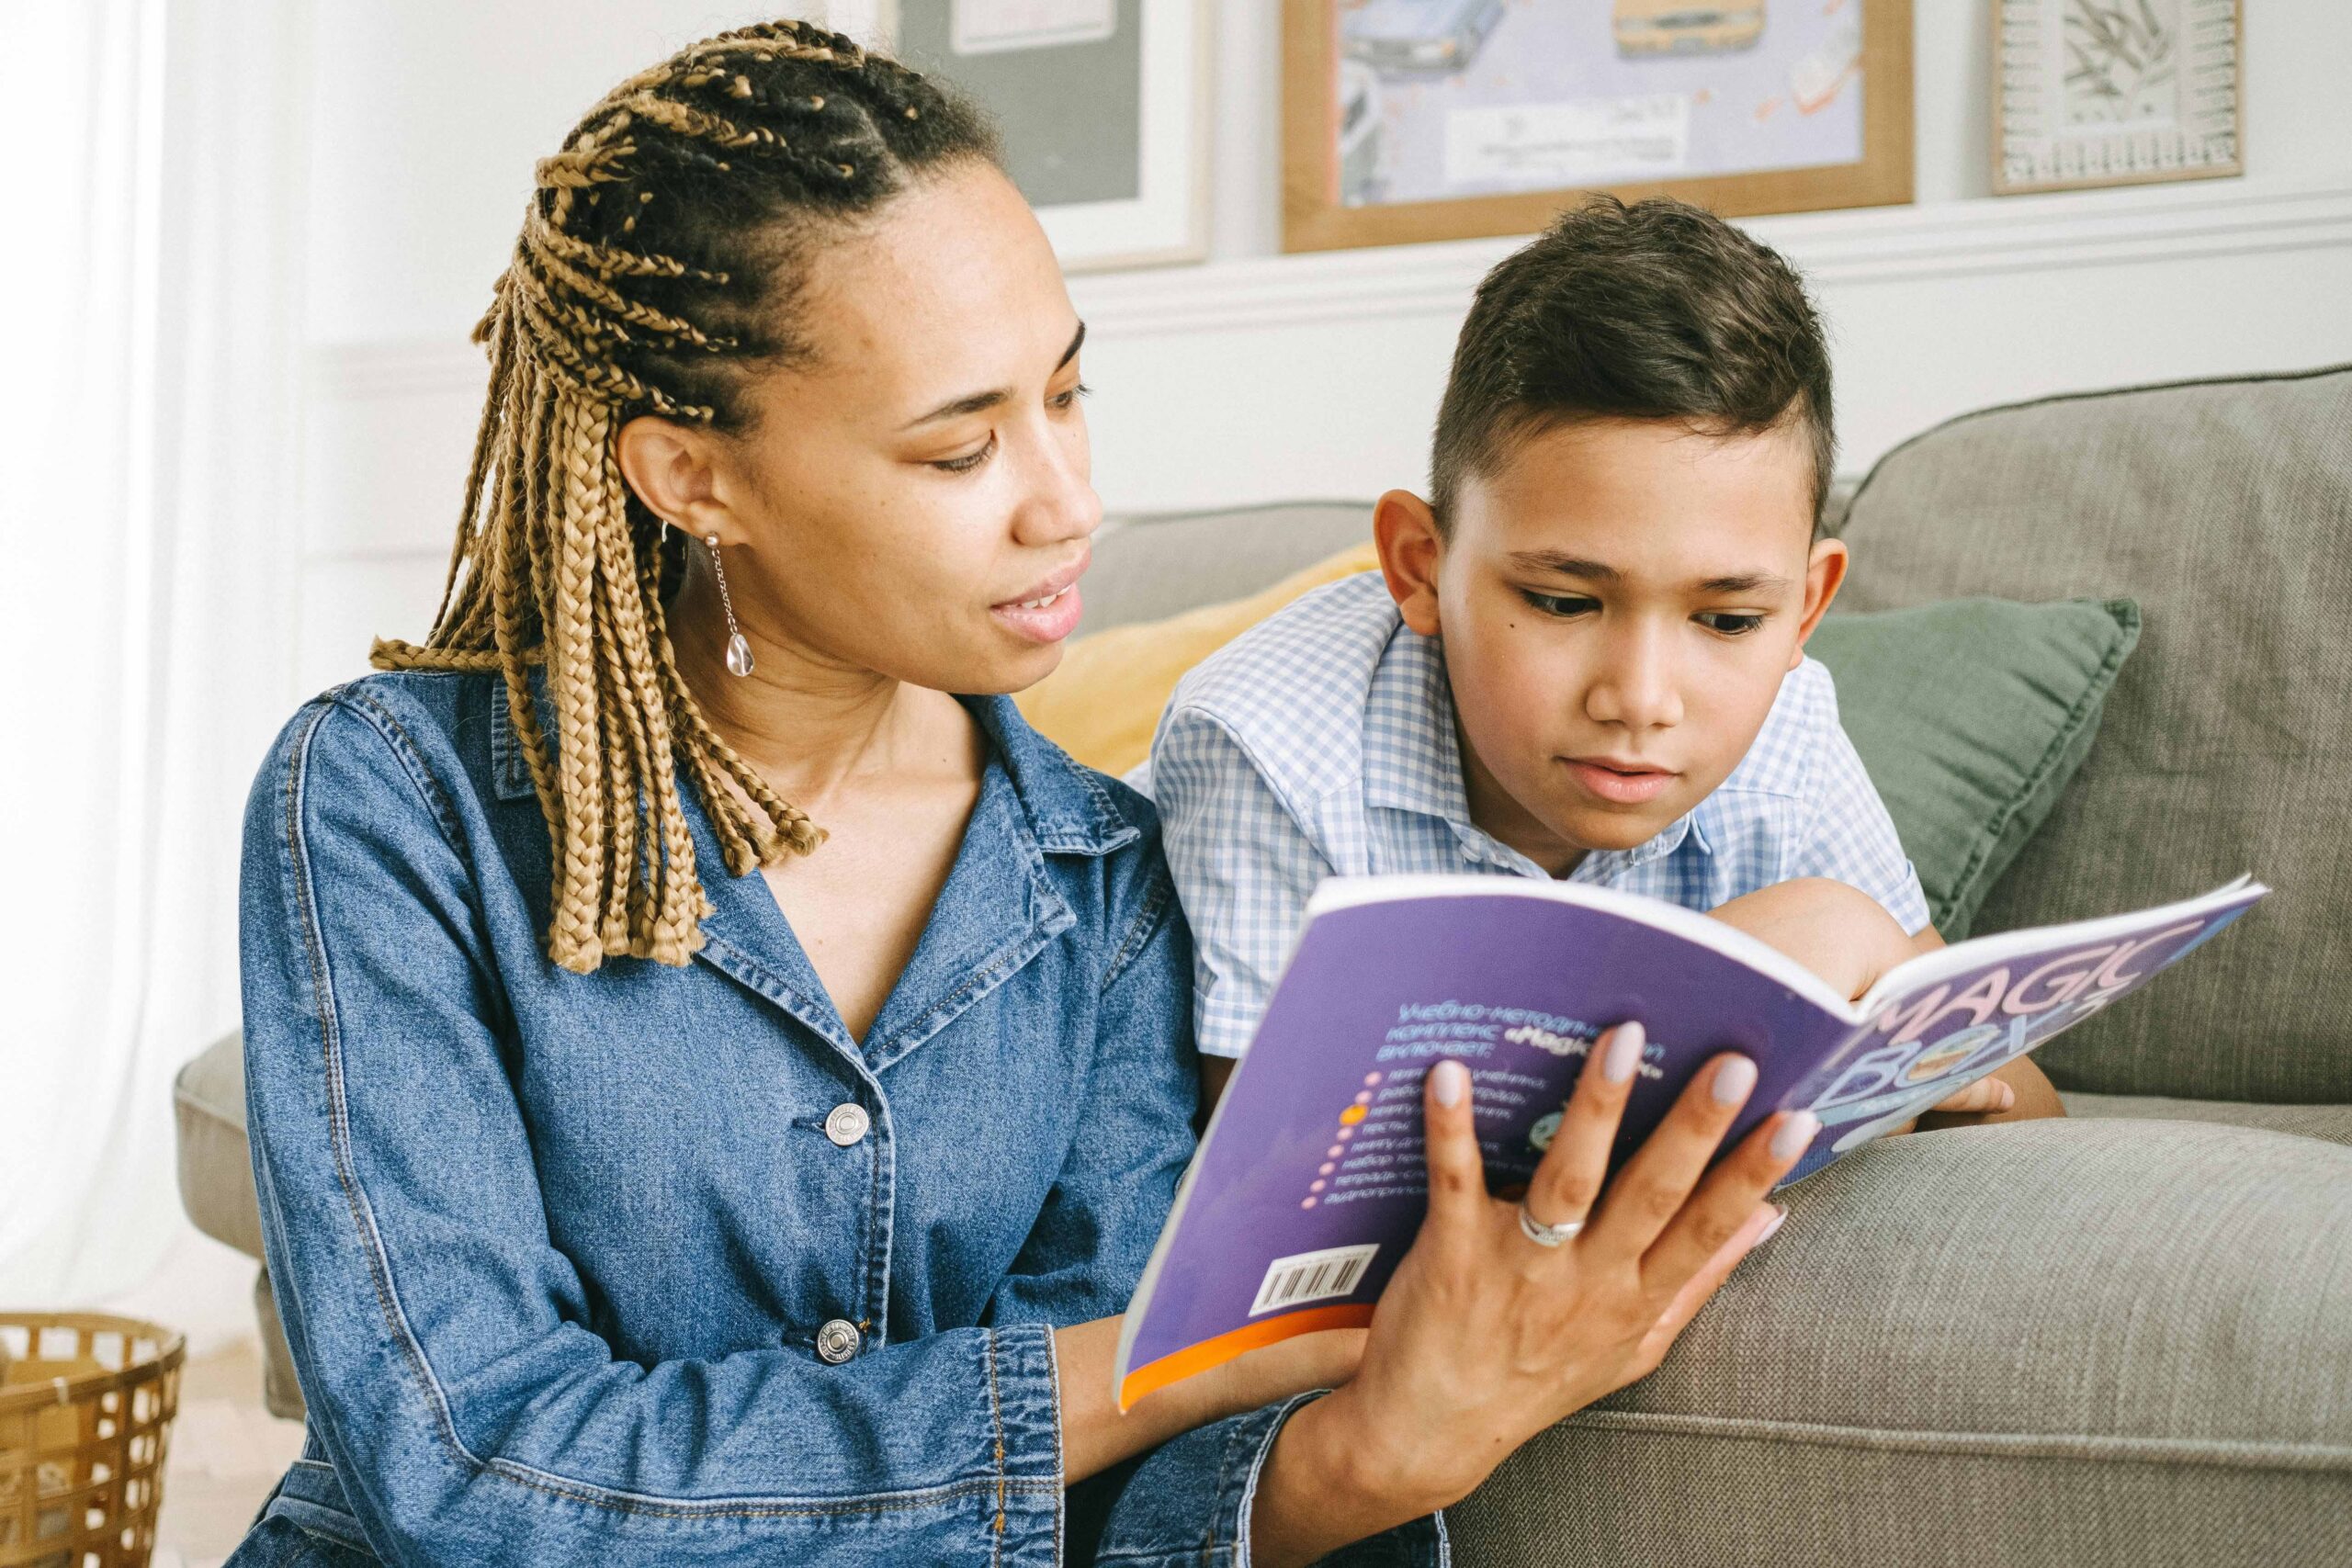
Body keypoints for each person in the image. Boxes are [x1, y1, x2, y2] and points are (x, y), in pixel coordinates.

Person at [229, 23, 1813, 1566]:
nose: (1070, 505)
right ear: (692, 474)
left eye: (1065, 395)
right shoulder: (393, 805)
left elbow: (1118, 1512)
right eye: (957, 448)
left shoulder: (1103, 880)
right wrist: (1146, 1369)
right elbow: (478, 1471)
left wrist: (1380, 1448)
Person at [1151, 196, 2070, 1124]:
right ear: (1419, 568)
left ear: (1804, 609)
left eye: (1726, 619)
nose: (1639, 700)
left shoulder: (1786, 735)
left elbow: (2024, 1111)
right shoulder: (1262, 745)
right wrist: (1795, 948)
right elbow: (1275, 1198)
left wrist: (1912, 1045)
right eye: (1561, 602)